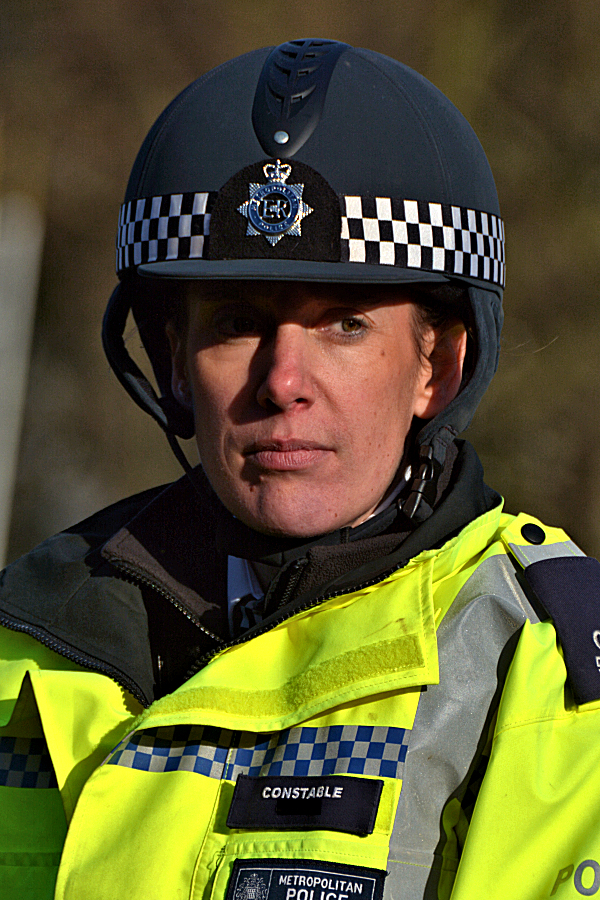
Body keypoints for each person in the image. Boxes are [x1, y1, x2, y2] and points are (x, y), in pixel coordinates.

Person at [1, 38, 599, 900]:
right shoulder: (27, 640)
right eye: (238, 321)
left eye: (344, 325)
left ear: (439, 366)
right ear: (174, 362)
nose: (282, 382)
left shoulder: (538, 672)